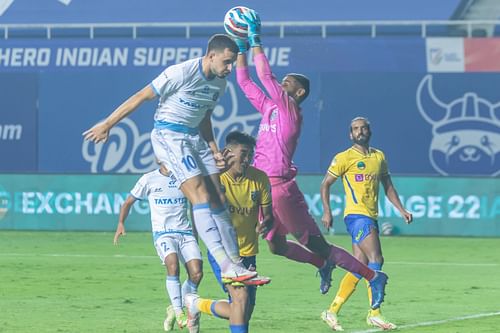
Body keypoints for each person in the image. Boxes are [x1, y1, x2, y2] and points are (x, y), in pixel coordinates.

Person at [233, 9, 388, 308]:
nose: (282, 84)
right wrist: (241, 47)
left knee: (320, 246)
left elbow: (264, 75)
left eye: (287, 82)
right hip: (264, 188)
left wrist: (255, 39)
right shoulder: (271, 109)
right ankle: (321, 264)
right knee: (276, 246)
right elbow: (245, 81)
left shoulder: (291, 111)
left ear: (299, 92)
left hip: (279, 189)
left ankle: (372, 276)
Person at [83, 34, 257, 283]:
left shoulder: (220, 84)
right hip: (170, 135)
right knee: (200, 195)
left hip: (196, 137)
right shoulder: (180, 72)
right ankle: (225, 264)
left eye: (233, 63)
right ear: (211, 55)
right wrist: (108, 123)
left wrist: (214, 148)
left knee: (218, 196)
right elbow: (141, 96)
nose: (230, 68)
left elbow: (205, 117)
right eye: (227, 62)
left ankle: (237, 264)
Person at [319, 117, 413, 331]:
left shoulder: (378, 156)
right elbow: (325, 184)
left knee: (359, 267)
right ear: (350, 134)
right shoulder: (344, 158)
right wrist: (327, 211)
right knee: (376, 258)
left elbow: (388, 185)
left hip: (370, 216)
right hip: (356, 215)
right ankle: (375, 312)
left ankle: (331, 310)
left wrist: (401, 209)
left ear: (369, 131)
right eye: (355, 129)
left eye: (363, 128)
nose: (359, 132)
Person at [185, 131, 273, 333]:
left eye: (251, 154)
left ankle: (196, 304)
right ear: (229, 153)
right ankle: (196, 304)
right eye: (243, 153)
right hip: (222, 252)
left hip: (248, 252)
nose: (248, 158)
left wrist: (266, 222)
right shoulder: (215, 179)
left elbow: (268, 215)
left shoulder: (259, 178)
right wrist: (194, 244)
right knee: (240, 299)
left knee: (243, 310)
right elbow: (198, 209)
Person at [114, 163, 203, 332]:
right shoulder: (149, 179)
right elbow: (128, 202)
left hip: (185, 233)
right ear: (160, 160)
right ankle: (179, 312)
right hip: (163, 234)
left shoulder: (184, 177)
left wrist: (196, 233)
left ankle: (173, 307)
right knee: (173, 265)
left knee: (197, 273)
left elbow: (193, 206)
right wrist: (120, 223)